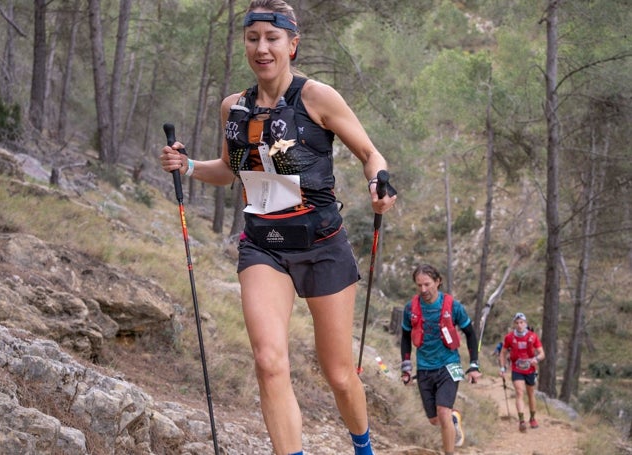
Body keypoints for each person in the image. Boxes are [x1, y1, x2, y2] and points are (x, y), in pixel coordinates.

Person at [160, 1, 397, 453]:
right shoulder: (234, 107)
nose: (262, 48)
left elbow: (371, 154)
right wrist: (187, 165)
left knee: (340, 375)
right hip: (264, 245)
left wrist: (378, 183)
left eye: (272, 38)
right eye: (253, 39)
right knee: (269, 363)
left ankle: (363, 446)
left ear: (293, 44)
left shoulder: (317, 97)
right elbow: (232, 171)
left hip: (322, 243)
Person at [400, 264, 481, 455]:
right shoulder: (411, 308)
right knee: (435, 419)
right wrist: (406, 367)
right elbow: (405, 336)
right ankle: (454, 418)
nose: (423, 290)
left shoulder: (453, 306)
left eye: (427, 284)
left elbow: (470, 333)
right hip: (424, 368)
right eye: (419, 285)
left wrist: (474, 364)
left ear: (438, 282)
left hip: (449, 365)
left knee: (443, 412)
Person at [499, 312, 545, 432]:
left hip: (530, 368)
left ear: (525, 323)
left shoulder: (533, 336)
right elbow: (503, 352)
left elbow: (542, 353)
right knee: (519, 392)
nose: (519, 325)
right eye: (517, 323)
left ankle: (533, 418)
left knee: (530, 394)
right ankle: (521, 421)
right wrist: (503, 368)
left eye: (522, 322)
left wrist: (536, 359)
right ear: (514, 324)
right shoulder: (509, 337)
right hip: (516, 368)